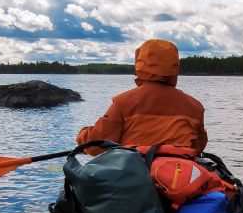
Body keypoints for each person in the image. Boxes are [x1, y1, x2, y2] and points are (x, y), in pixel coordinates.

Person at [77, 39, 208, 153]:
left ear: (140, 64)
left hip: (135, 177)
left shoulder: (124, 103)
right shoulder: (194, 107)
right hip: (178, 178)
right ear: (175, 66)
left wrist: (82, 135)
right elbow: (198, 147)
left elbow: (94, 146)